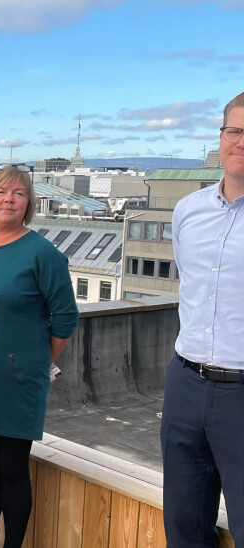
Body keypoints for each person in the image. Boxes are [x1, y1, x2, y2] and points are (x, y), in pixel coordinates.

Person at [0, 165, 78, 548]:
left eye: (19, 193)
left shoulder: (42, 253)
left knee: (12, 468)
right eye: (2, 191)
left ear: (29, 203)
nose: (9, 199)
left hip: (18, 381)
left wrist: (35, 360)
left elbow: (66, 316)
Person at [161, 92, 244, 546]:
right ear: (220, 138)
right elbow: (189, 284)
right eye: (235, 130)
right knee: (184, 525)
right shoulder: (187, 212)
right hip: (186, 384)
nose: (241, 142)